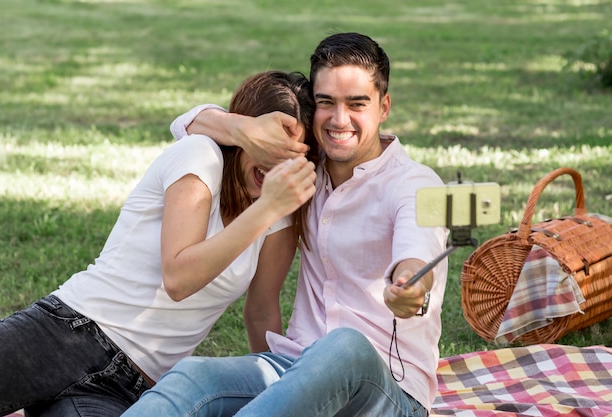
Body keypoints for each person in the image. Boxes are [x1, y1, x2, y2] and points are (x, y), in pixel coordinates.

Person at [122, 32, 449, 417]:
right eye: (327, 103)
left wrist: (411, 285)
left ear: (384, 106)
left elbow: (419, 248)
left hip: (389, 391)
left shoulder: (419, 184)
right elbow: (187, 123)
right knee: (193, 377)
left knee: (344, 346)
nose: (340, 119)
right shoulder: (303, 174)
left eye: (357, 104)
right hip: (295, 367)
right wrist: (246, 130)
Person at [0, 70, 317, 417]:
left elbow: (261, 309)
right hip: (70, 333)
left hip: (133, 389)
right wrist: (268, 207)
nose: (276, 163)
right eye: (269, 146)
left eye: (293, 155)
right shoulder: (202, 155)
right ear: (245, 134)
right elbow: (178, 277)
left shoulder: (279, 209)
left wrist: (279, 398)